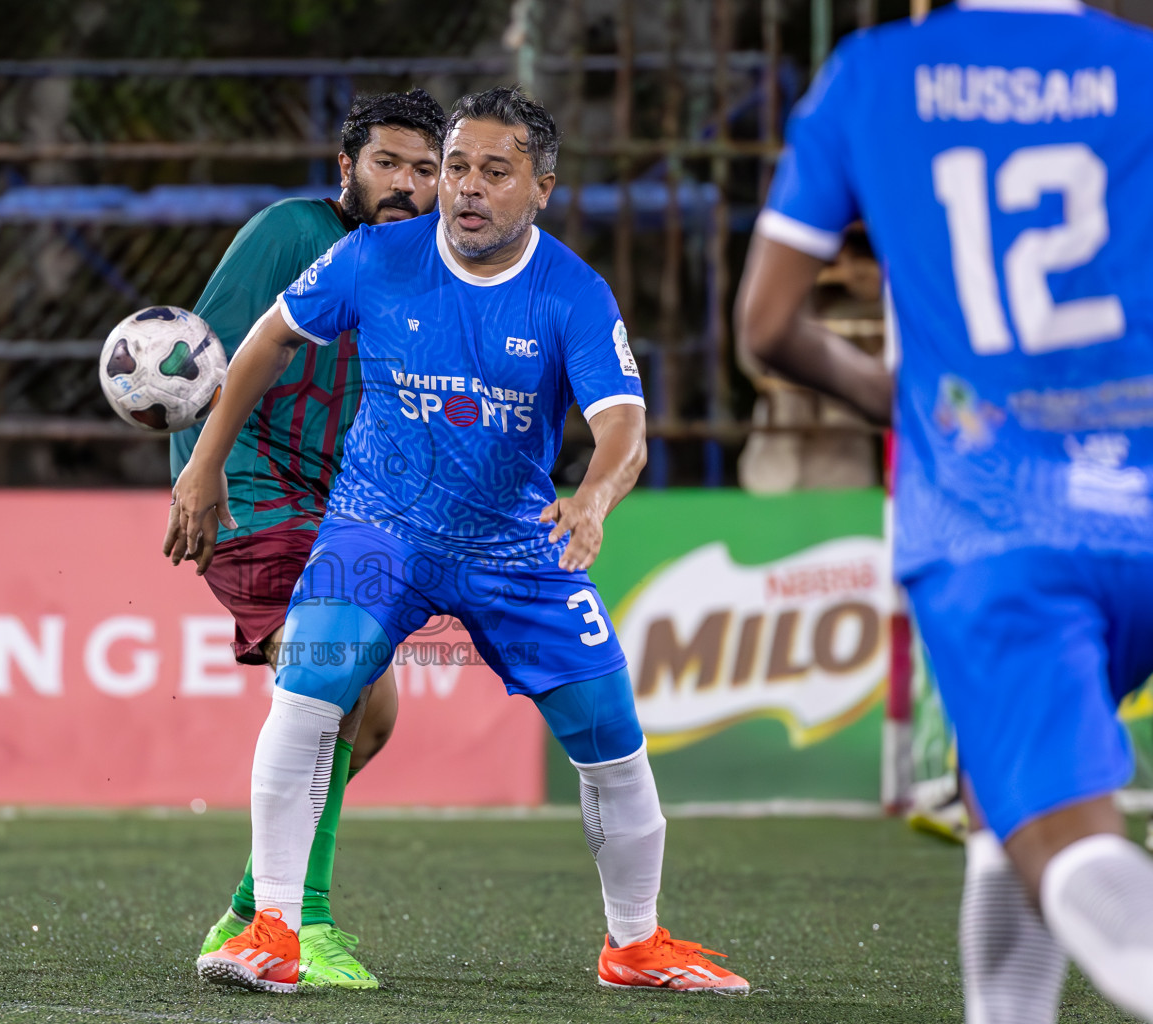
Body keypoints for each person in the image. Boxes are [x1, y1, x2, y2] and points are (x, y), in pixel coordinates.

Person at [168, 86, 748, 996]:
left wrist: (592, 498)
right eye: (458, 168)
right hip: (376, 535)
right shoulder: (374, 255)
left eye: (494, 172)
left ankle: (633, 945)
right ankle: (274, 926)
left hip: (515, 547)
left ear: (541, 187)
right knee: (311, 690)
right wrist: (203, 463)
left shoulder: (573, 292)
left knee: (612, 739)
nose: (466, 189)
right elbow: (266, 341)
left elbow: (624, 423)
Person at [735, 2, 1153, 1020]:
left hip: (997, 526)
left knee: (1071, 841)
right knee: (996, 797)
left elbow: (767, 325)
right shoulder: (1140, 66)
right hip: (1138, 497)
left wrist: (900, 400)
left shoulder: (873, 75)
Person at [168, 89, 448, 989]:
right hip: (250, 484)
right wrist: (201, 473)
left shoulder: (434, 272)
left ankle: (251, 913)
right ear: (347, 170)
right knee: (340, 675)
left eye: (423, 169)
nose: (406, 185)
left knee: (375, 723)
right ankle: (306, 925)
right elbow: (201, 362)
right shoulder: (289, 235)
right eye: (387, 164)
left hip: (344, 507)